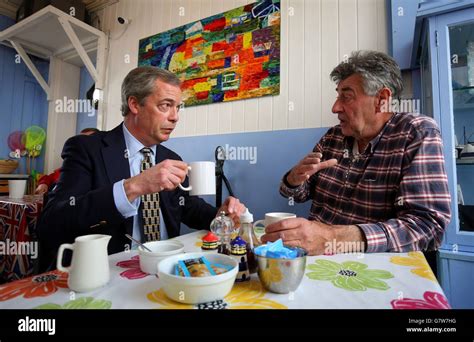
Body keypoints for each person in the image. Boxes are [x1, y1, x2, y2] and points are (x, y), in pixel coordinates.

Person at [37, 67, 245, 271]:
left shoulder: (170, 158)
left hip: (167, 270)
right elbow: (53, 222)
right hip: (110, 274)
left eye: (178, 107)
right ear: (134, 104)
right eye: (166, 105)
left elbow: (188, 207)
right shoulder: (86, 148)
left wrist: (221, 215)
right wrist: (133, 187)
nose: (175, 117)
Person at [262, 50, 451, 256]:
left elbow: (427, 227)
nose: (335, 107)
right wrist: (294, 180)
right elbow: (296, 195)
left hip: (374, 267)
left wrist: (333, 238)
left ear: (381, 99)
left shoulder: (416, 133)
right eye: (337, 95)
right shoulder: (332, 137)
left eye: (347, 96)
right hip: (315, 258)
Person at [34, 128, 100, 195]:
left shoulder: (99, 172)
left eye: (87, 141)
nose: (82, 145)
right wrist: (43, 184)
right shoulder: (72, 164)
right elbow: (49, 177)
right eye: (80, 141)